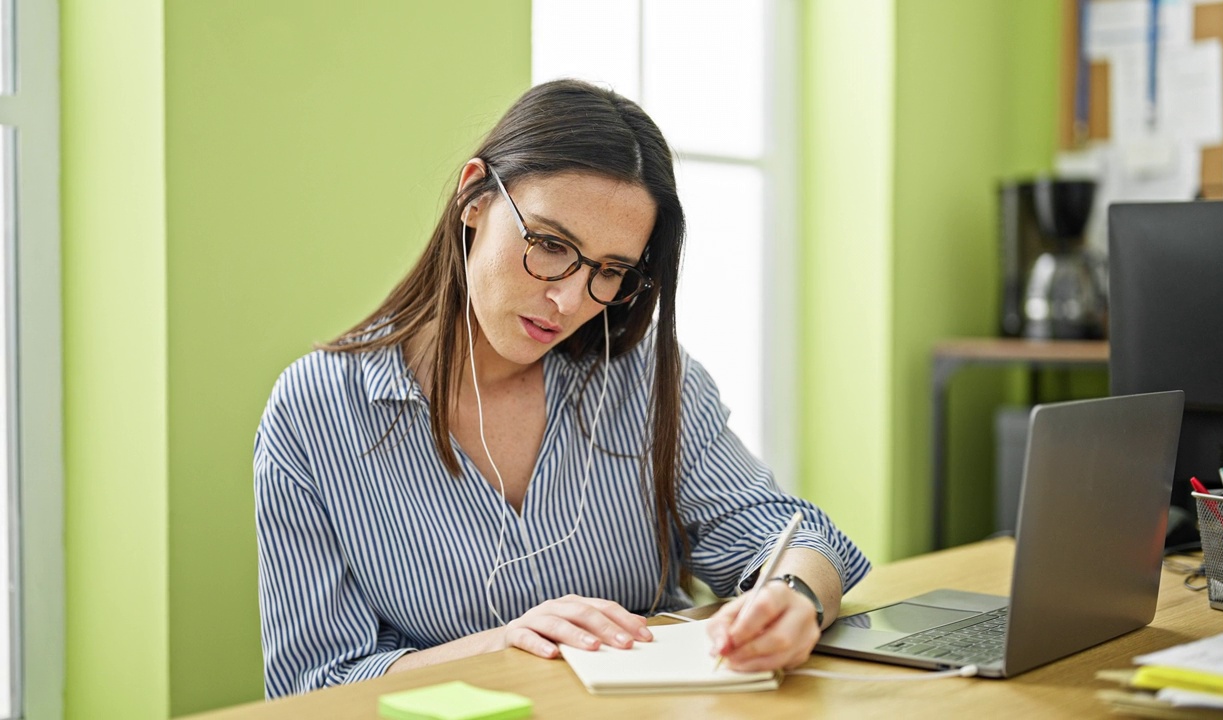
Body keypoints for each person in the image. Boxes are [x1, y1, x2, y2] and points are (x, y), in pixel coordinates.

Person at [254, 79, 870, 699]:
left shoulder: (644, 376)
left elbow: (792, 536)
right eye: (550, 245)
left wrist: (793, 601)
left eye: (611, 271)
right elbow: (315, 686)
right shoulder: (314, 411)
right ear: (475, 197)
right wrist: (506, 642)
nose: (569, 300)